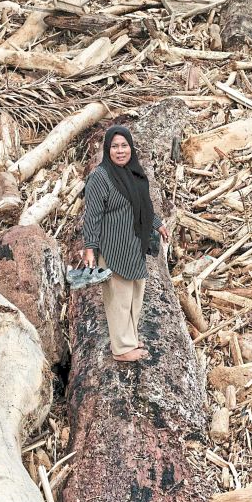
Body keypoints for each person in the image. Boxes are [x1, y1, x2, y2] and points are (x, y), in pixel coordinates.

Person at [81, 125, 169, 362]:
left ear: (130, 147)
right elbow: (92, 215)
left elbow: (143, 204)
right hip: (113, 246)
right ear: (107, 149)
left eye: (124, 146)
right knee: (118, 298)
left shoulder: (135, 173)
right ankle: (121, 349)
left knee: (135, 294)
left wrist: (157, 224)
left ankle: (129, 336)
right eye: (114, 147)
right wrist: (89, 247)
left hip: (135, 244)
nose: (120, 151)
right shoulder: (100, 177)